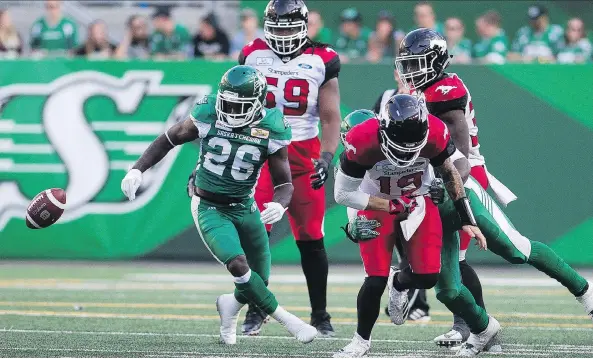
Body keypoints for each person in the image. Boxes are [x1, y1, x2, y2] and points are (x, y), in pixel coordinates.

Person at [391, 27, 593, 351]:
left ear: (436, 61)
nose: (411, 71)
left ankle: (584, 290)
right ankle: (480, 331)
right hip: (433, 187)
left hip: (463, 180)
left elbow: (458, 159)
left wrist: (446, 190)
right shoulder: (415, 94)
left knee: (515, 250)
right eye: (408, 63)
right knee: (448, 283)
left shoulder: (446, 89)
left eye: (417, 63)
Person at [121, 64, 318, 346]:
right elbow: (170, 138)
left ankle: (229, 305)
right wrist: (138, 168)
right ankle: (291, 321)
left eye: (240, 106)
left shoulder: (272, 126)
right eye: (227, 103)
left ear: (257, 104)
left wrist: (280, 203)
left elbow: (284, 183)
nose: (230, 112)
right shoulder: (209, 112)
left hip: (245, 206)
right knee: (238, 265)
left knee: (259, 278)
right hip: (210, 207)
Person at [190, 0, 341, 338]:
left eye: (290, 26)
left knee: (311, 238)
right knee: (256, 238)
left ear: (304, 25)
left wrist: (328, 156)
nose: (284, 34)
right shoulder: (252, 53)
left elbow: (330, 115)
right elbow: (224, 110)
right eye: (278, 26)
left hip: (302, 154)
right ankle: (255, 311)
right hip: (256, 152)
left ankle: (320, 313)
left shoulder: (322, 58)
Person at [332, 99, 499, 358]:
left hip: (418, 199)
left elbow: (451, 172)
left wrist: (466, 217)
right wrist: (383, 208)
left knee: (428, 275)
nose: (406, 154)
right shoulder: (362, 140)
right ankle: (360, 341)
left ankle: (398, 282)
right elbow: (342, 194)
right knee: (374, 279)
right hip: (377, 204)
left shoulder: (434, 131)